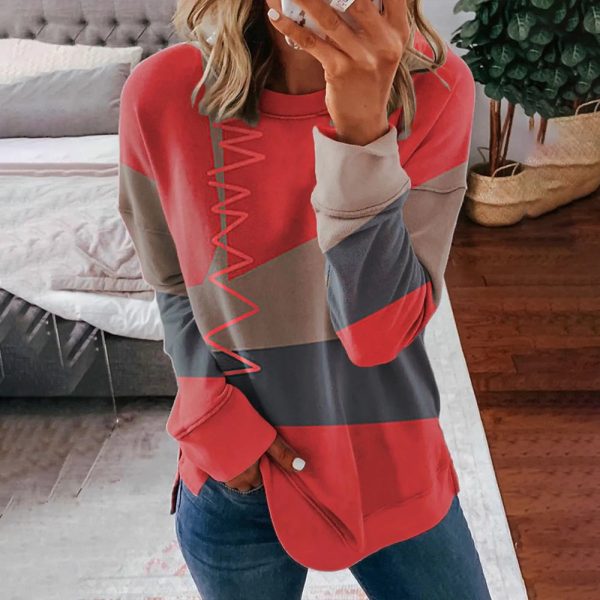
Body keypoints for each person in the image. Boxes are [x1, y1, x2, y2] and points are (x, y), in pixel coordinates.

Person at [118, 0, 491, 598]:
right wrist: (218, 428)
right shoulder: (161, 93)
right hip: (237, 476)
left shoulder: (439, 89)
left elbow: (377, 336)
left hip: (389, 458)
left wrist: (363, 137)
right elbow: (171, 283)